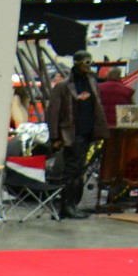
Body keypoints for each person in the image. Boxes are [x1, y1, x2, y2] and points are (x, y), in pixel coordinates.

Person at [46, 51, 109, 220]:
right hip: (71, 134)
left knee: (79, 170)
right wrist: (55, 137)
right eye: (86, 62)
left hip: (87, 132)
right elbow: (53, 113)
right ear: (77, 62)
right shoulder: (62, 86)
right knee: (71, 171)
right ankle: (66, 207)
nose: (89, 66)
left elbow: (97, 107)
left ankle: (72, 205)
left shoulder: (92, 83)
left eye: (90, 62)